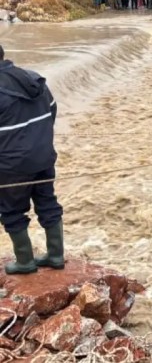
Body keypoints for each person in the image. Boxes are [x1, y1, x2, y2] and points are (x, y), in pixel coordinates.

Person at [0, 44, 64, 275]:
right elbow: (52, 111)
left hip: (11, 166)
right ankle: (56, 255)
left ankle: (25, 262)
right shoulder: (33, 79)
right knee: (47, 202)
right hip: (43, 156)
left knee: (11, 211)